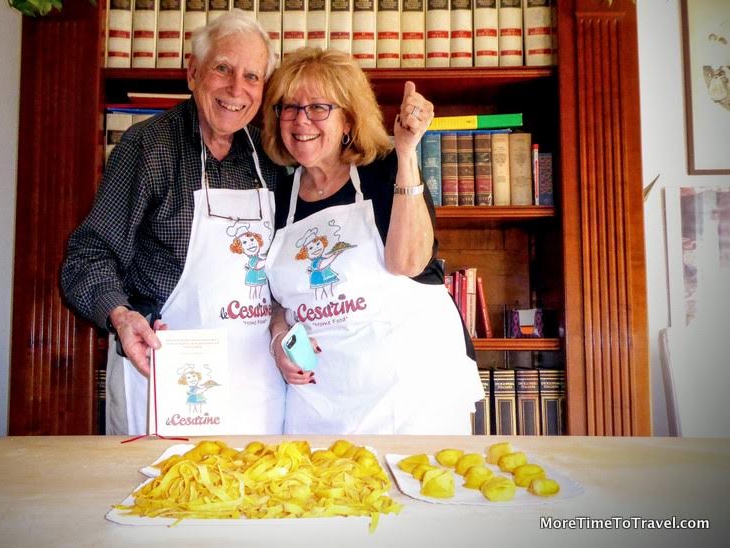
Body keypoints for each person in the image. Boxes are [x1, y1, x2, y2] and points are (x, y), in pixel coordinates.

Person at [60, 11, 286, 436]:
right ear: (193, 72)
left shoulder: (271, 158)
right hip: (165, 373)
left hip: (254, 384)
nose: (237, 89)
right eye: (223, 69)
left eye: (252, 76)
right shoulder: (147, 147)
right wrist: (122, 317)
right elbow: (88, 256)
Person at [261, 47, 484, 435]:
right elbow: (278, 299)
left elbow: (408, 263)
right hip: (322, 401)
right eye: (289, 107)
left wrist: (407, 153)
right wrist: (280, 336)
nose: (301, 120)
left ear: (348, 119)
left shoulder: (385, 173)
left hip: (410, 398)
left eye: (318, 108)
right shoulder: (279, 196)